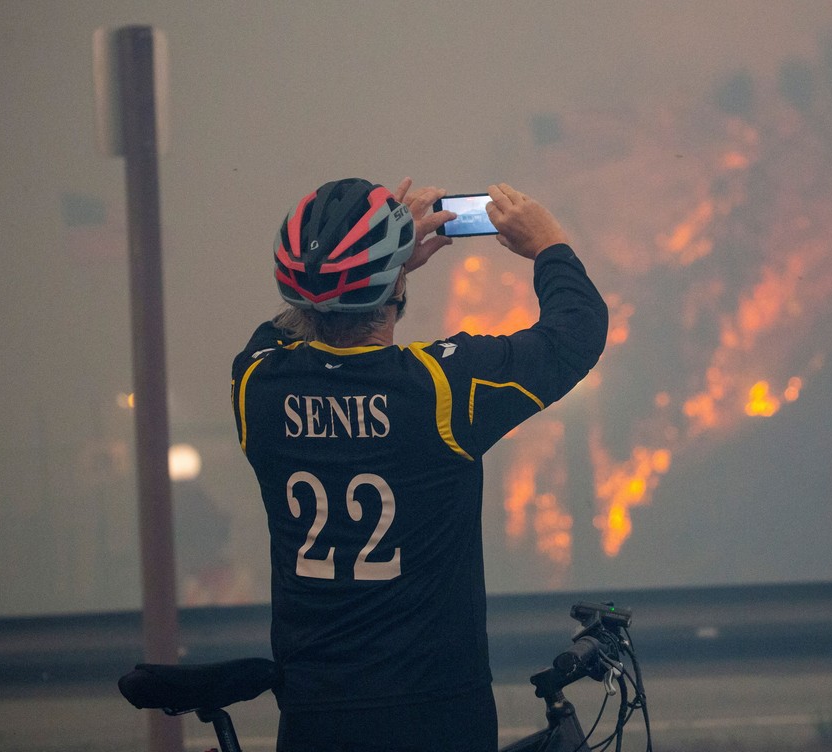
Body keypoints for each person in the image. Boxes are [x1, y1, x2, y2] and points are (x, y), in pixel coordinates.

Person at [230, 177, 608, 752]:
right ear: (392, 289)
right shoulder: (439, 389)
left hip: (313, 710)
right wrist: (549, 245)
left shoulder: (257, 385)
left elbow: (283, 328)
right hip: (432, 711)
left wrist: (377, 265)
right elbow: (576, 334)